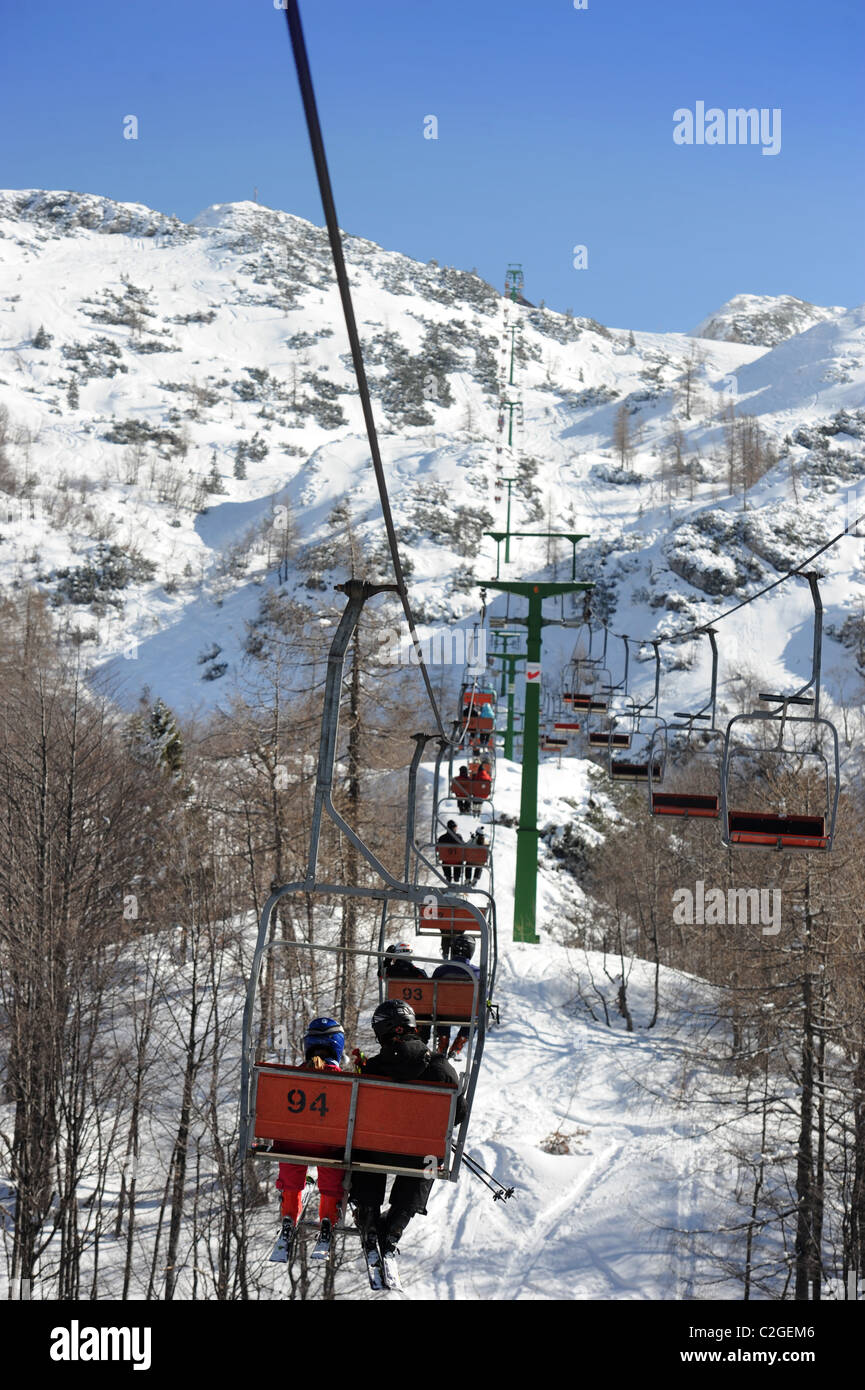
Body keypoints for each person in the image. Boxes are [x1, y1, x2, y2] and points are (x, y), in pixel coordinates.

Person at [350, 1000, 465, 1281]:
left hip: (376, 1153)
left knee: (363, 1148)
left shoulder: (373, 1067)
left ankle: (369, 1216)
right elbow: (458, 1114)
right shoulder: (442, 1068)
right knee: (429, 1158)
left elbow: (355, 1111)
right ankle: (396, 1225)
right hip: (419, 1158)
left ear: (388, 1032)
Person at [274, 1017, 346, 1252]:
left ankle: (288, 1216)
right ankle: (327, 1218)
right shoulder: (346, 1084)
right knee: (335, 1152)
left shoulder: (289, 1081)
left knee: (291, 1147)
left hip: (293, 1147)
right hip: (328, 1149)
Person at [432, 936, 480, 1059]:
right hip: (467, 1015)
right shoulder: (477, 973)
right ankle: (459, 1044)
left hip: (444, 1013)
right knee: (475, 1016)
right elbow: (482, 997)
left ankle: (443, 1041)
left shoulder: (440, 971)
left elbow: (431, 993)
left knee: (442, 1009)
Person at [379, 942, 430, 1044]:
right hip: (417, 1015)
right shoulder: (419, 973)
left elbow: (380, 973)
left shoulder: (390, 971)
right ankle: (422, 1041)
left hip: (396, 1014)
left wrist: (388, 958)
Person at [436, 819, 464, 884]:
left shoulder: (441, 838)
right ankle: (456, 879)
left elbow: (437, 849)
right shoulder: (458, 837)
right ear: (454, 828)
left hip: (446, 861)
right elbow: (464, 847)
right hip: (457, 861)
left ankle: (448, 878)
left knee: (445, 861)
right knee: (458, 862)